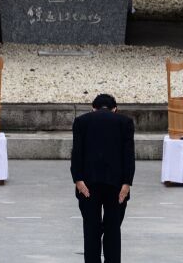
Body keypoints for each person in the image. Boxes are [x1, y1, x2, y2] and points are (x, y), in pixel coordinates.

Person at [71, 93, 136, 263]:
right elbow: (128, 155)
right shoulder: (125, 122)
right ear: (115, 109)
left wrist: (78, 179)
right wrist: (127, 183)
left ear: (93, 108)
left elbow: (76, 153)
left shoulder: (81, 122)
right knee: (113, 230)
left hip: (88, 184)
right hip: (116, 185)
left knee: (91, 230)